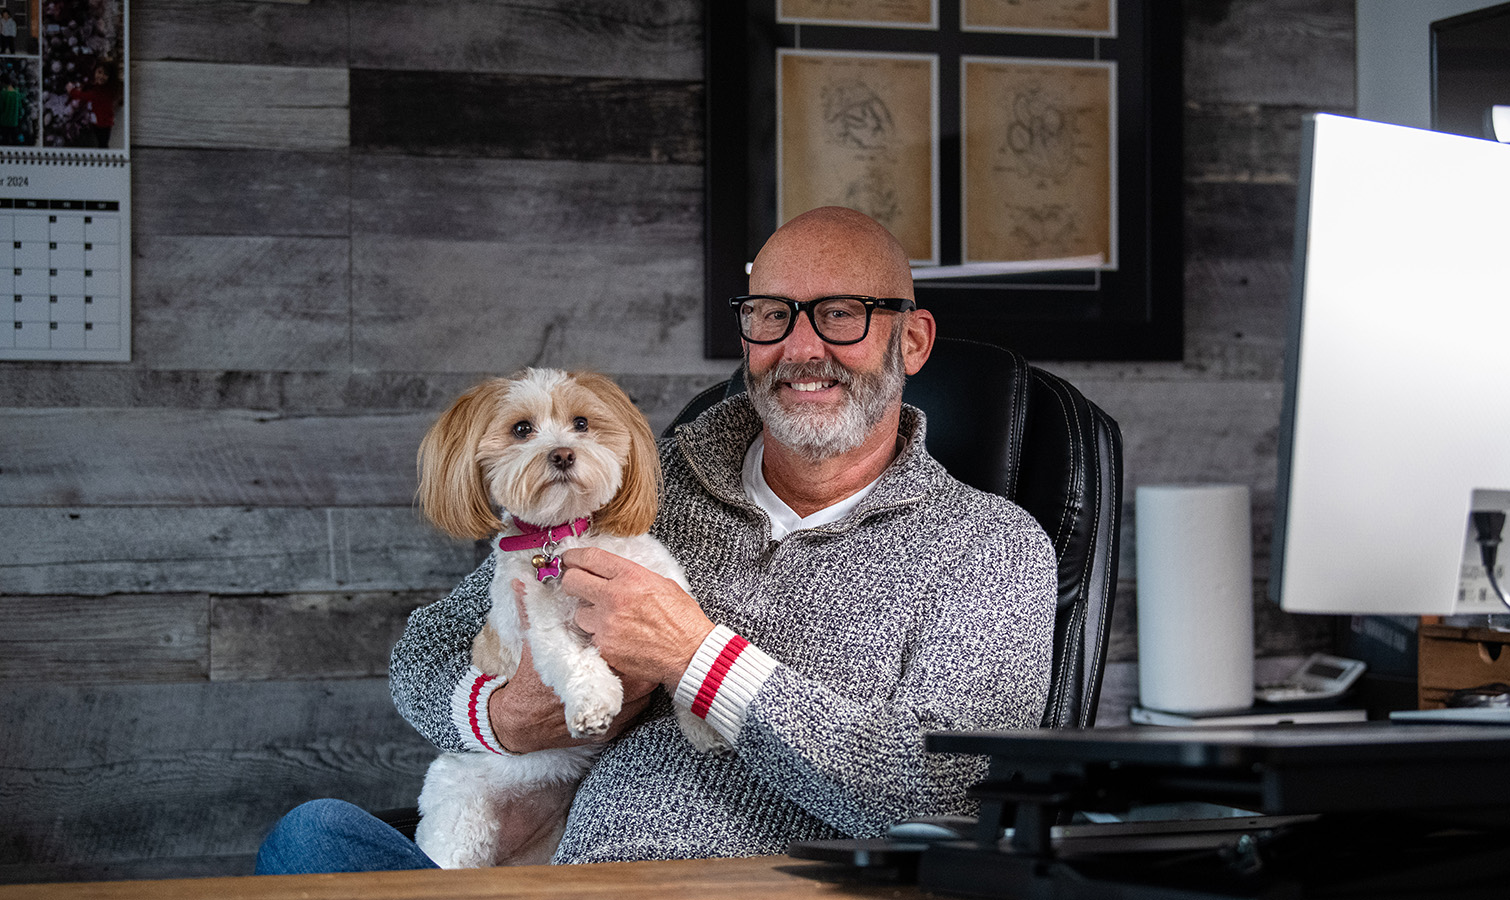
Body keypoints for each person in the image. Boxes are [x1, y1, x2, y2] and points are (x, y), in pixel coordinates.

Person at [256, 206, 1058, 872]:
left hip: (750, 894)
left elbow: (942, 791)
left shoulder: (989, 549)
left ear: (911, 341)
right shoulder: (637, 477)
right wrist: (504, 716)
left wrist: (696, 659)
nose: (802, 348)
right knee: (312, 836)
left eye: (842, 314)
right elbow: (426, 653)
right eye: (773, 315)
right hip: (549, 874)